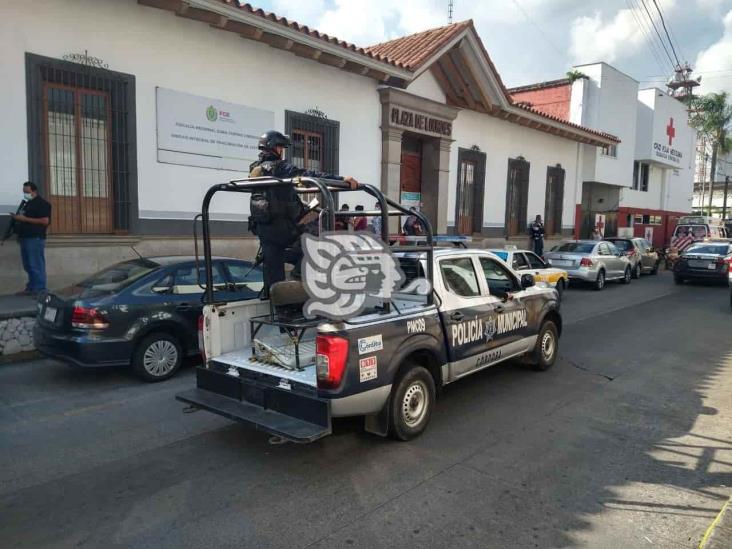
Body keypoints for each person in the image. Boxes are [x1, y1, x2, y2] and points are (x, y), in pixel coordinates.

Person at [248, 130, 358, 293]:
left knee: (273, 271)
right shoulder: (281, 167)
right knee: (318, 242)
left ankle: (275, 304)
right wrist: (341, 180)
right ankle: (298, 280)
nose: (282, 151)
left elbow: (275, 197)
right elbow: (309, 175)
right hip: (283, 229)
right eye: (280, 147)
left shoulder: (254, 169)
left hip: (264, 230)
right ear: (274, 148)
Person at [10, 181, 51, 295]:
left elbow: (45, 221)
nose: (25, 194)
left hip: (35, 238)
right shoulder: (27, 203)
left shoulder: (42, 203)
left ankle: (40, 289)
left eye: (27, 192)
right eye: (24, 192)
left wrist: (24, 219)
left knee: (36, 264)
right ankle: (32, 287)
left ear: (34, 191)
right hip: (25, 237)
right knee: (28, 264)